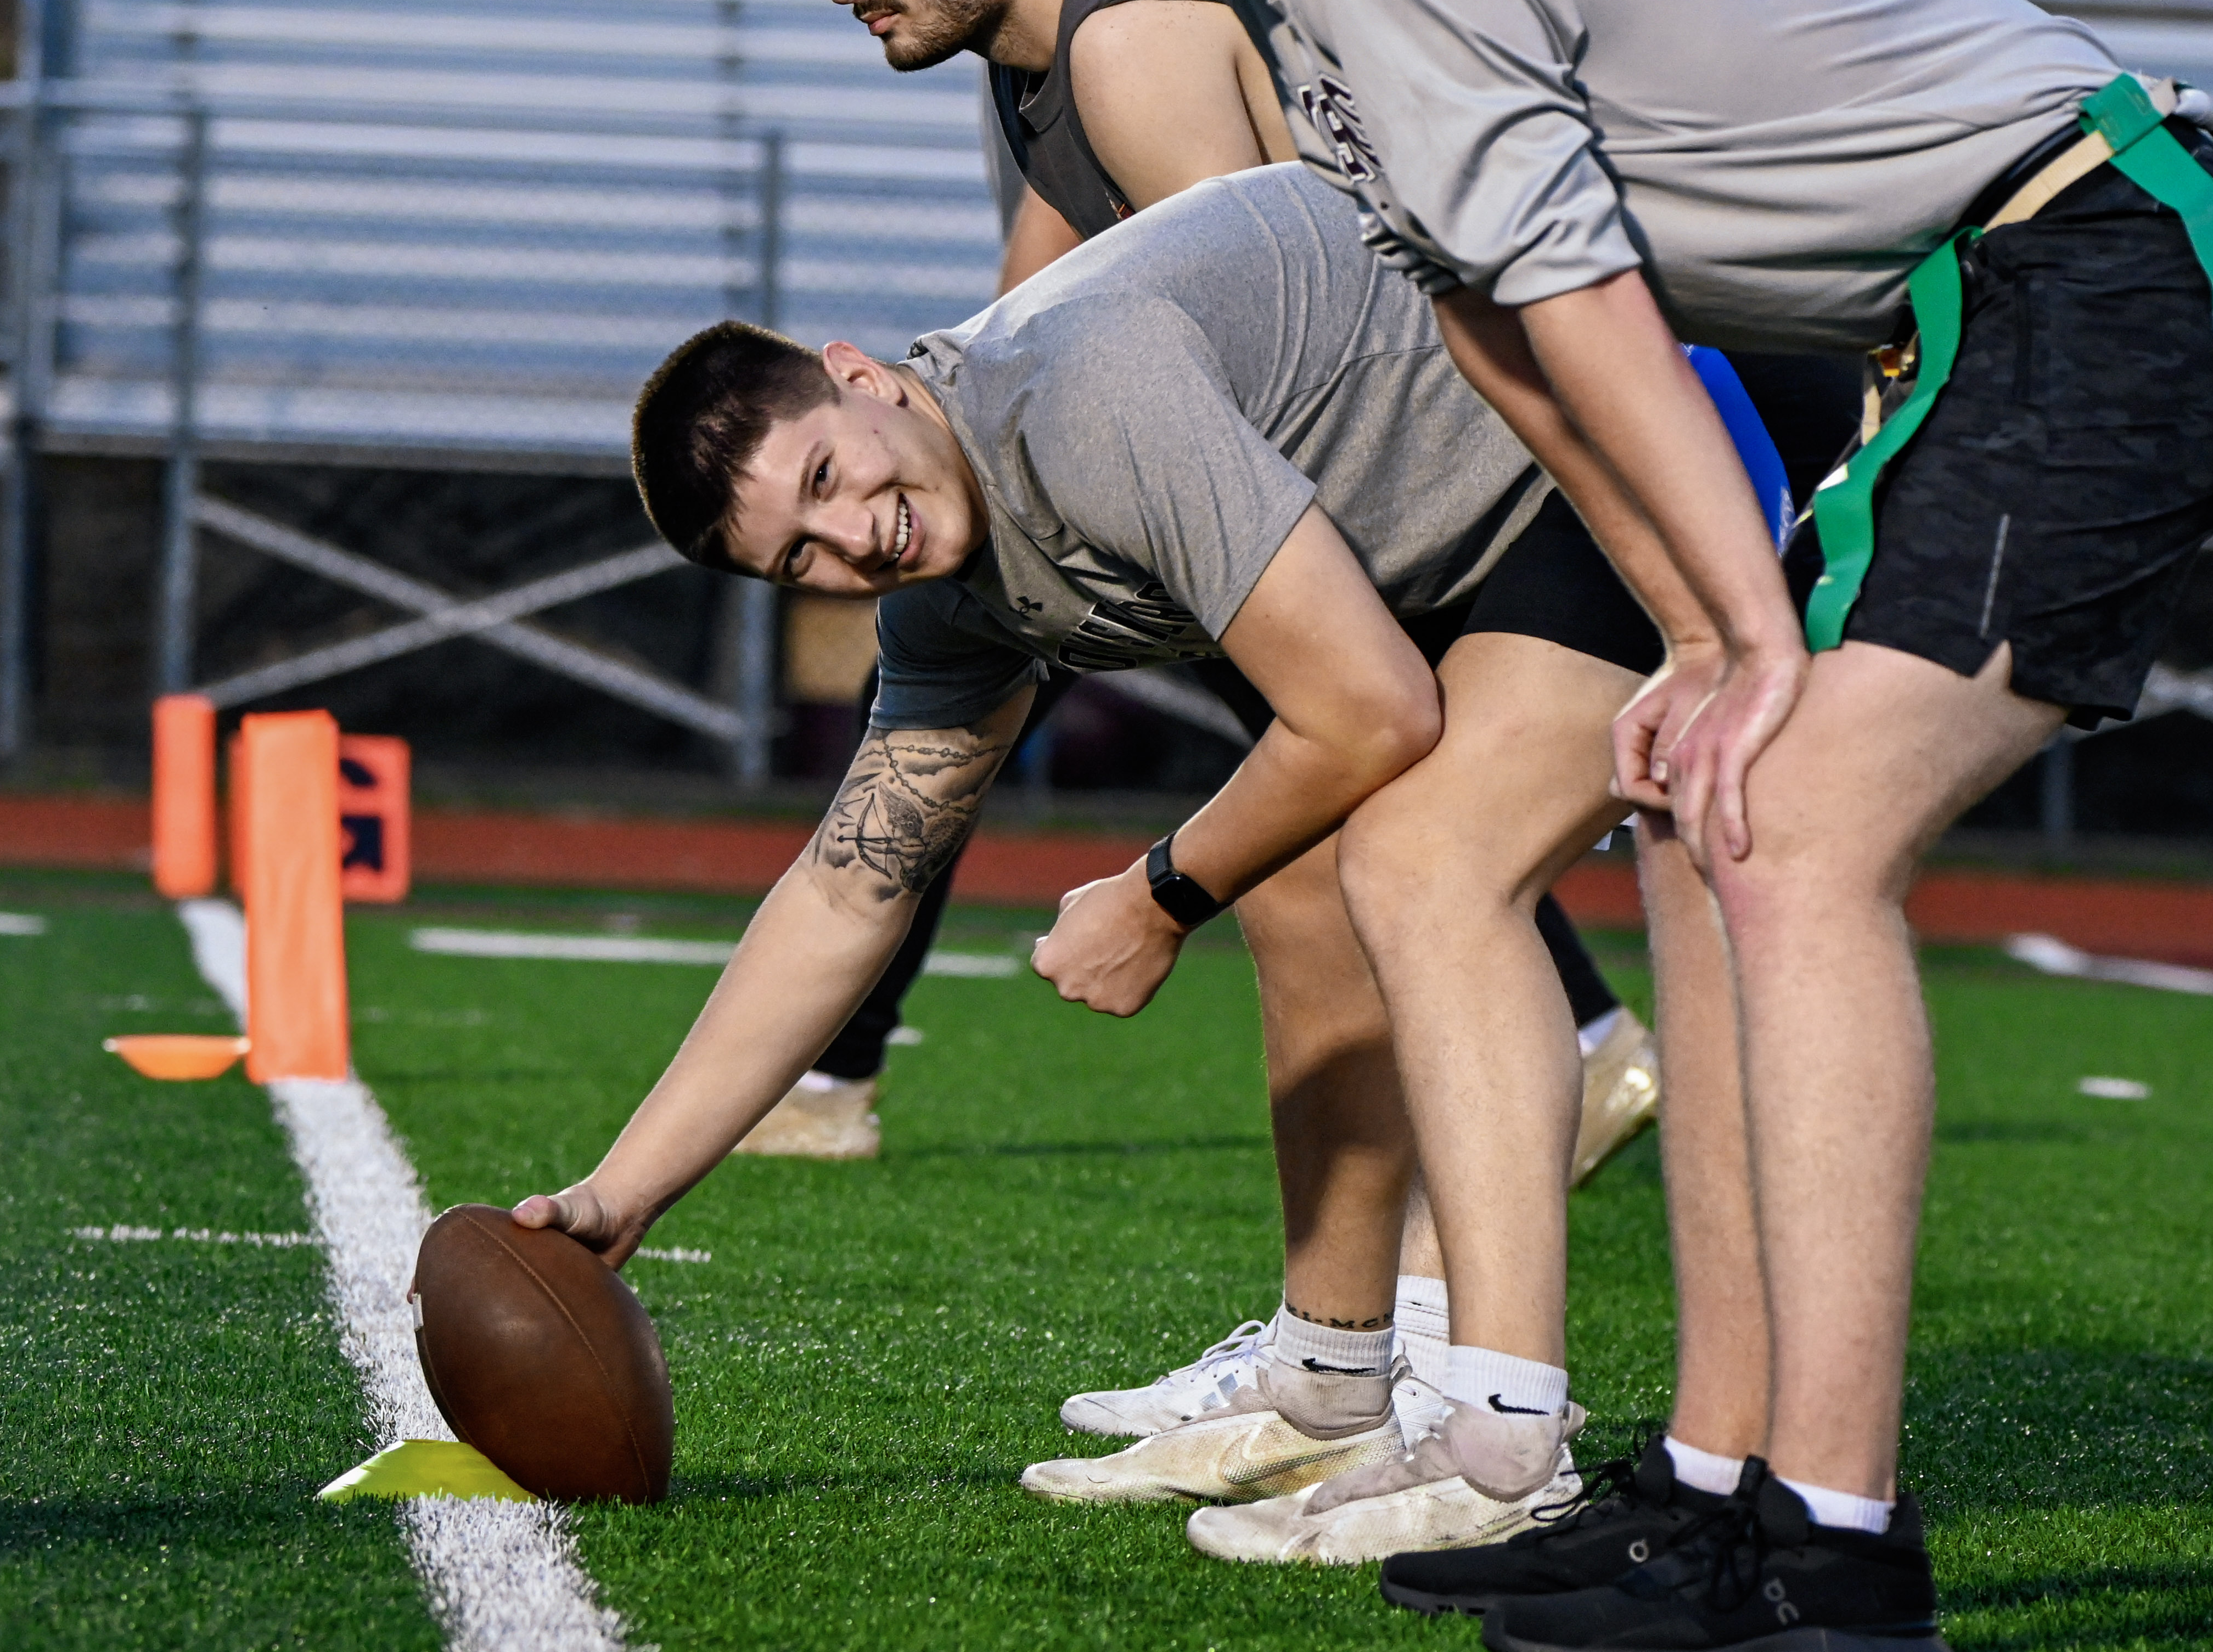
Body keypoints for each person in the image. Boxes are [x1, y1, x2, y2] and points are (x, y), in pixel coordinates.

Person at [982, 0, 2213, 1646]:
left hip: (2102, 252)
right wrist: (1701, 633)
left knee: (1786, 823)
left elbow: (1582, 284)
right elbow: (1495, 335)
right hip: (1980, 303)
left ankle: (1833, 1561)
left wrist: (1749, 641)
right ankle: (1709, 1495)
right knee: (1699, 816)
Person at [519, 160, 1795, 1565]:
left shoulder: (1073, 393)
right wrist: (623, 1193)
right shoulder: (949, 590)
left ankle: (1504, 1438)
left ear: (860, 376)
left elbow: (1372, 710)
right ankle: (1331, 1380)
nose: (853, 538)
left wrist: (1157, 896)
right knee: (1300, 870)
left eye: (826, 476)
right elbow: (846, 888)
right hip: (1484, 516)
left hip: (1648, 419)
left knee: (1424, 862)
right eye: (798, 559)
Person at [778, 0, 1673, 1462]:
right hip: (1452, 480)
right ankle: (1348, 1362)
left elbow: (1257, 361)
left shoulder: (1128, 45)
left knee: (1394, 870)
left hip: (1506, 473)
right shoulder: (1037, 71)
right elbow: (1025, 354)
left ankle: (1455, 1373)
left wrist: (1164, 866)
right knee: (1333, 887)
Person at [731, 0, 1063, 1165]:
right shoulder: (1023, 33)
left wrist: (1166, 889)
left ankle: (1416, 1319)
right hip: (1087, 433)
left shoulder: (1130, 20)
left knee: (1390, 844)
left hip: (1171, 450)